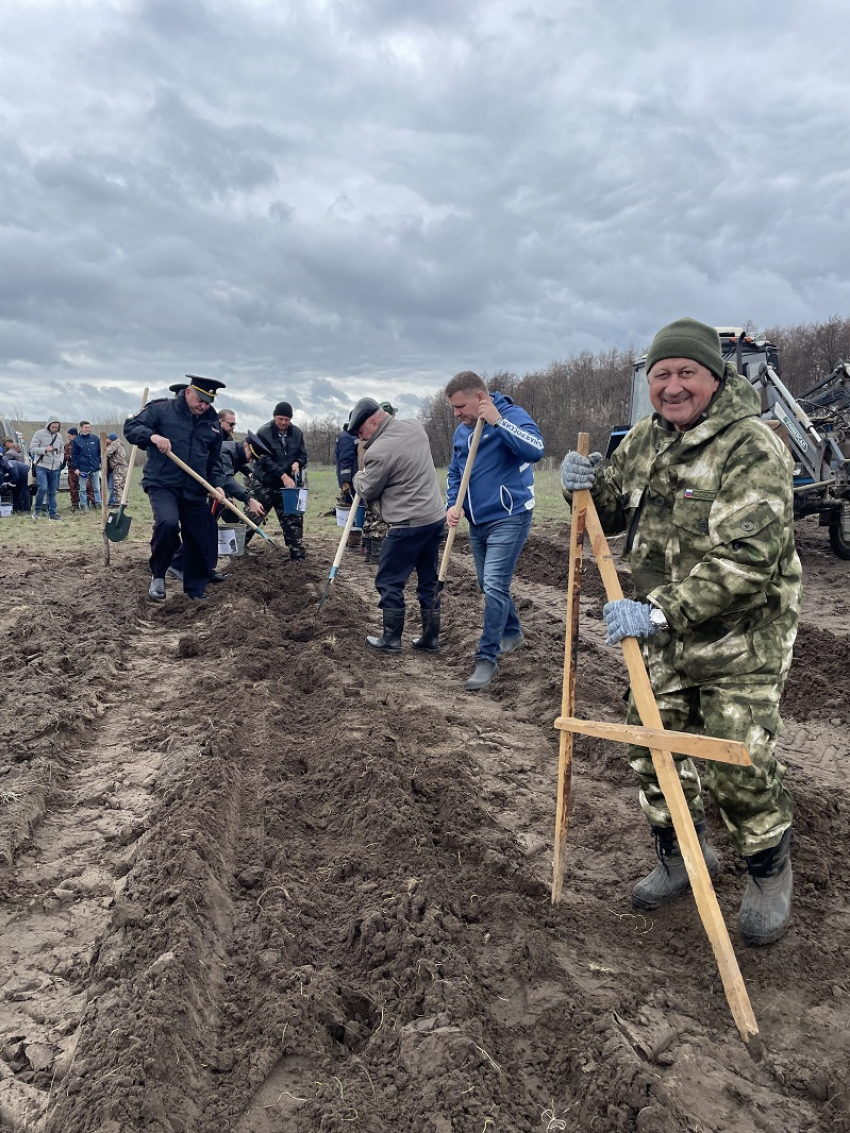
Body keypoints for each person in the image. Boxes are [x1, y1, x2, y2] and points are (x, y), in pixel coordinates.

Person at [560, 317, 801, 946]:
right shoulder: (644, 438)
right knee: (650, 742)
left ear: (713, 379)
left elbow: (749, 559)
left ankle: (768, 867)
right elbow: (609, 509)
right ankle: (677, 855)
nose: (672, 386)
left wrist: (659, 610)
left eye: (685, 372)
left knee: (734, 757)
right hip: (663, 633)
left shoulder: (752, 446)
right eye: (660, 374)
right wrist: (582, 484)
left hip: (740, 636)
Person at [444, 371, 544, 691]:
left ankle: (486, 658)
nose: (457, 414)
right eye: (454, 409)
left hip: (510, 516)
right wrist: (452, 504)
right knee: (489, 586)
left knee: (495, 585)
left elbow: (536, 449)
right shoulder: (463, 432)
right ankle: (512, 633)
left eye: (460, 406)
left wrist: (499, 422)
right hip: (477, 522)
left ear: (480, 397)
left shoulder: (511, 416)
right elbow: (456, 474)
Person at [349, 398, 446, 653]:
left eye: (361, 432)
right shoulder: (415, 427)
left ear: (373, 421)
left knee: (389, 580)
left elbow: (368, 490)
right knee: (428, 579)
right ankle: (430, 638)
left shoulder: (379, 451)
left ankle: (391, 640)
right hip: (435, 518)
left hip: (407, 524)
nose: (362, 439)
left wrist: (357, 475)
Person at [124, 375, 227, 601]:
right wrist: (152, 436)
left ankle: (195, 590)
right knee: (168, 524)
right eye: (200, 399)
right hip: (163, 483)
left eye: (208, 402)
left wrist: (217, 484)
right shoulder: (162, 410)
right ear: (189, 392)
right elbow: (131, 428)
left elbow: (215, 460)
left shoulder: (212, 425)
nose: (204, 405)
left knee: (200, 535)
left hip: (195, 488)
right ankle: (158, 575)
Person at [247, 401, 308, 560]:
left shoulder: (297, 433)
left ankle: (297, 555)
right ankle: (237, 549)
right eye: (280, 419)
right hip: (265, 483)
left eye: (287, 420)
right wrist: (283, 475)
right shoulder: (263, 432)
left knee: (293, 519)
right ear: (274, 417)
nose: (283, 423)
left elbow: (302, 455)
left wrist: (298, 463)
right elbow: (263, 459)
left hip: (288, 487)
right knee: (252, 517)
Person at [29, 415, 65, 521]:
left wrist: (60, 461)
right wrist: (45, 449)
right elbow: (32, 449)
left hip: (55, 467)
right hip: (42, 466)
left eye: (56, 427)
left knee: (52, 491)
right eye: (53, 427)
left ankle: (53, 514)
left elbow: (62, 451)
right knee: (42, 488)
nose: (54, 429)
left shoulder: (59, 436)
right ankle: (37, 511)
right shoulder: (39, 434)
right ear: (48, 425)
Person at [71, 422, 102, 509]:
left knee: (96, 487)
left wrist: (98, 462)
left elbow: (99, 452)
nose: (88, 429)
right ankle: (83, 504)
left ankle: (98, 503)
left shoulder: (95, 439)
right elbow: (74, 455)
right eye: (86, 427)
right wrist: (76, 468)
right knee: (82, 488)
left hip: (94, 467)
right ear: (81, 428)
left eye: (89, 427)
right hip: (83, 468)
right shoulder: (77, 440)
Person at [105, 433, 128, 505]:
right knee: (123, 485)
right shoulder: (120, 444)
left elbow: (106, 452)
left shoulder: (115, 444)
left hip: (118, 467)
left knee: (117, 485)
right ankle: (125, 500)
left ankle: (120, 502)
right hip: (123, 467)